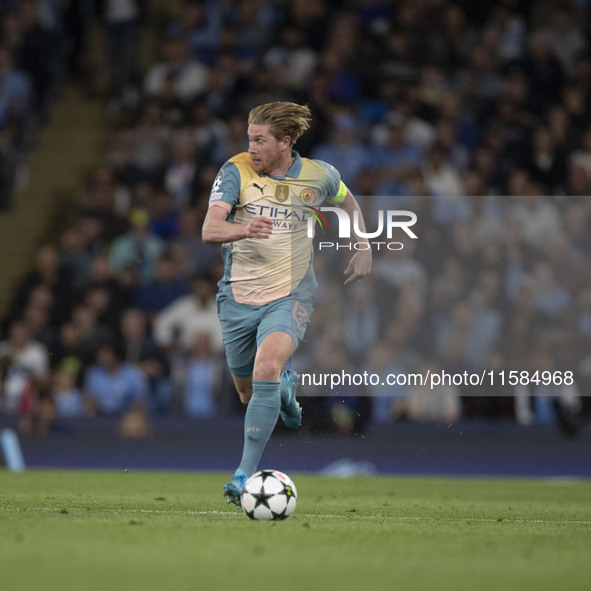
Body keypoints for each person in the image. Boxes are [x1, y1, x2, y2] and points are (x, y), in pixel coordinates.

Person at [202, 101, 372, 505]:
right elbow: (210, 229)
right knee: (248, 392)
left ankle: (244, 474)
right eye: (249, 139)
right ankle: (284, 393)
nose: (251, 147)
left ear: (285, 142)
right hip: (237, 296)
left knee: (266, 365)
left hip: (290, 293)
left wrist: (362, 244)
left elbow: (347, 200)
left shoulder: (320, 175)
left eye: (259, 140)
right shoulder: (234, 171)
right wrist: (244, 228)